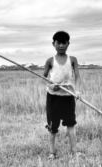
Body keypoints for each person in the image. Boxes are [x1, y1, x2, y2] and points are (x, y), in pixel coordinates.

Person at [43, 31, 81, 160]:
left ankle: (74, 151)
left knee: (71, 124)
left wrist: (77, 91)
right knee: (53, 126)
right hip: (53, 97)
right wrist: (50, 85)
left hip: (68, 97)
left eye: (64, 43)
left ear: (68, 44)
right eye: (58, 43)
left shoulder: (73, 60)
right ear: (53, 44)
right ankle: (52, 152)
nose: (61, 45)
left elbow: (77, 77)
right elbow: (43, 78)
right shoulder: (49, 60)